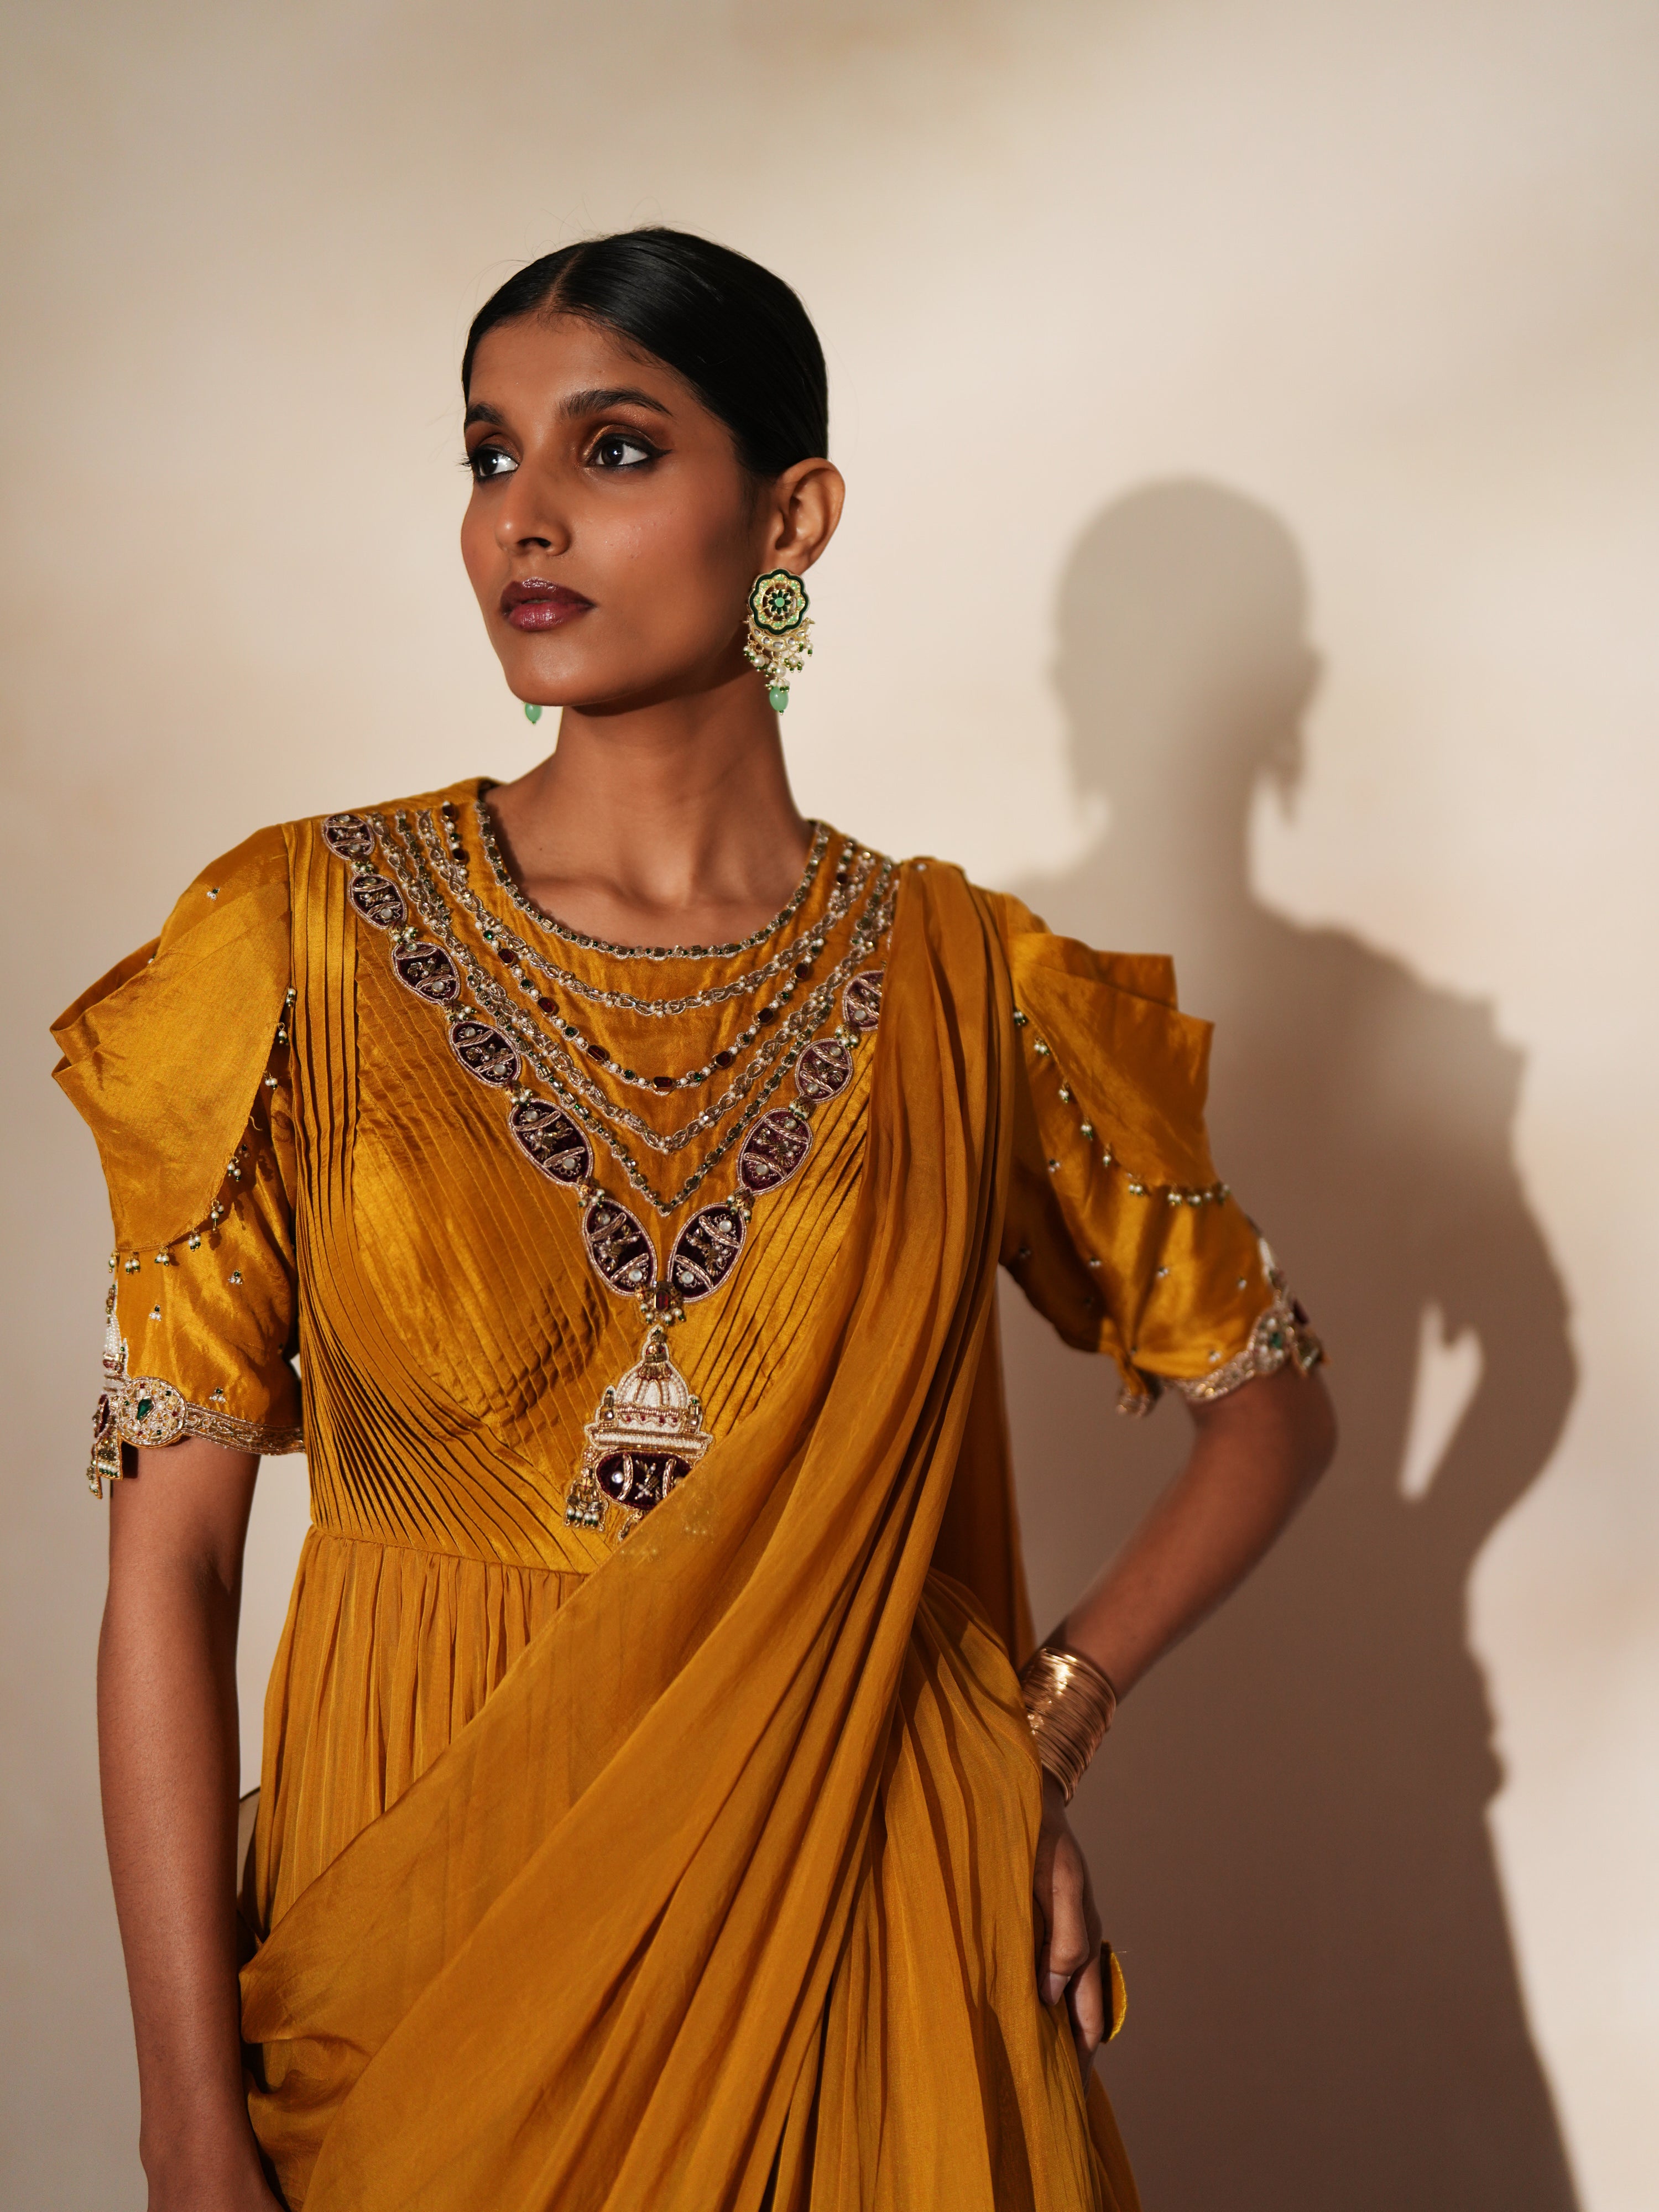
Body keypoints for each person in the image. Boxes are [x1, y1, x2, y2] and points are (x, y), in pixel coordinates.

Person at [53, 229, 1335, 2212]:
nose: (526, 518)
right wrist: (183, 2120)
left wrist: (1035, 1733)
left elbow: (1268, 1404)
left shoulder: (964, 983)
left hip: (852, 1901)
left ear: (793, 515)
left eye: (618, 448)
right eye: (488, 458)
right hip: (416, 1937)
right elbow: (169, 1570)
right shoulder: (297, 940)